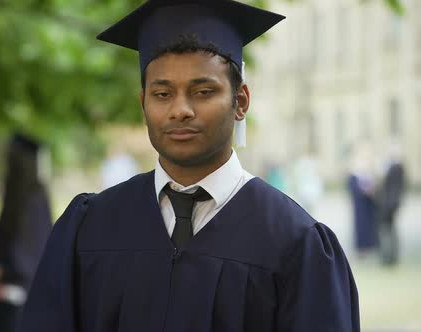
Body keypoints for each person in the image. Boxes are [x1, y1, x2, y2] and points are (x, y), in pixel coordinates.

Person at [24, 0, 360, 331]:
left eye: (202, 91)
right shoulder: (90, 227)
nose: (180, 110)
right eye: (162, 94)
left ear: (240, 101)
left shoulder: (295, 242)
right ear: (143, 104)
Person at [0, 133, 53, 332]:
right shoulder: (40, 198)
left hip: (12, 296)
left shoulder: (19, 202)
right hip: (33, 297)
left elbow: (11, 249)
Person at [375, 142, 406, 266]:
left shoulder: (396, 167)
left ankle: (388, 257)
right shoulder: (397, 167)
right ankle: (391, 256)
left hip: (389, 204)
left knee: (386, 230)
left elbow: (390, 188)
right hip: (392, 204)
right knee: (391, 229)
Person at [347, 143, 378, 256]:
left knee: (368, 225)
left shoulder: (368, 168)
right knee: (360, 225)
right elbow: (352, 186)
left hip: (368, 203)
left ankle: (369, 246)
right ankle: (361, 248)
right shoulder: (356, 168)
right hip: (359, 203)